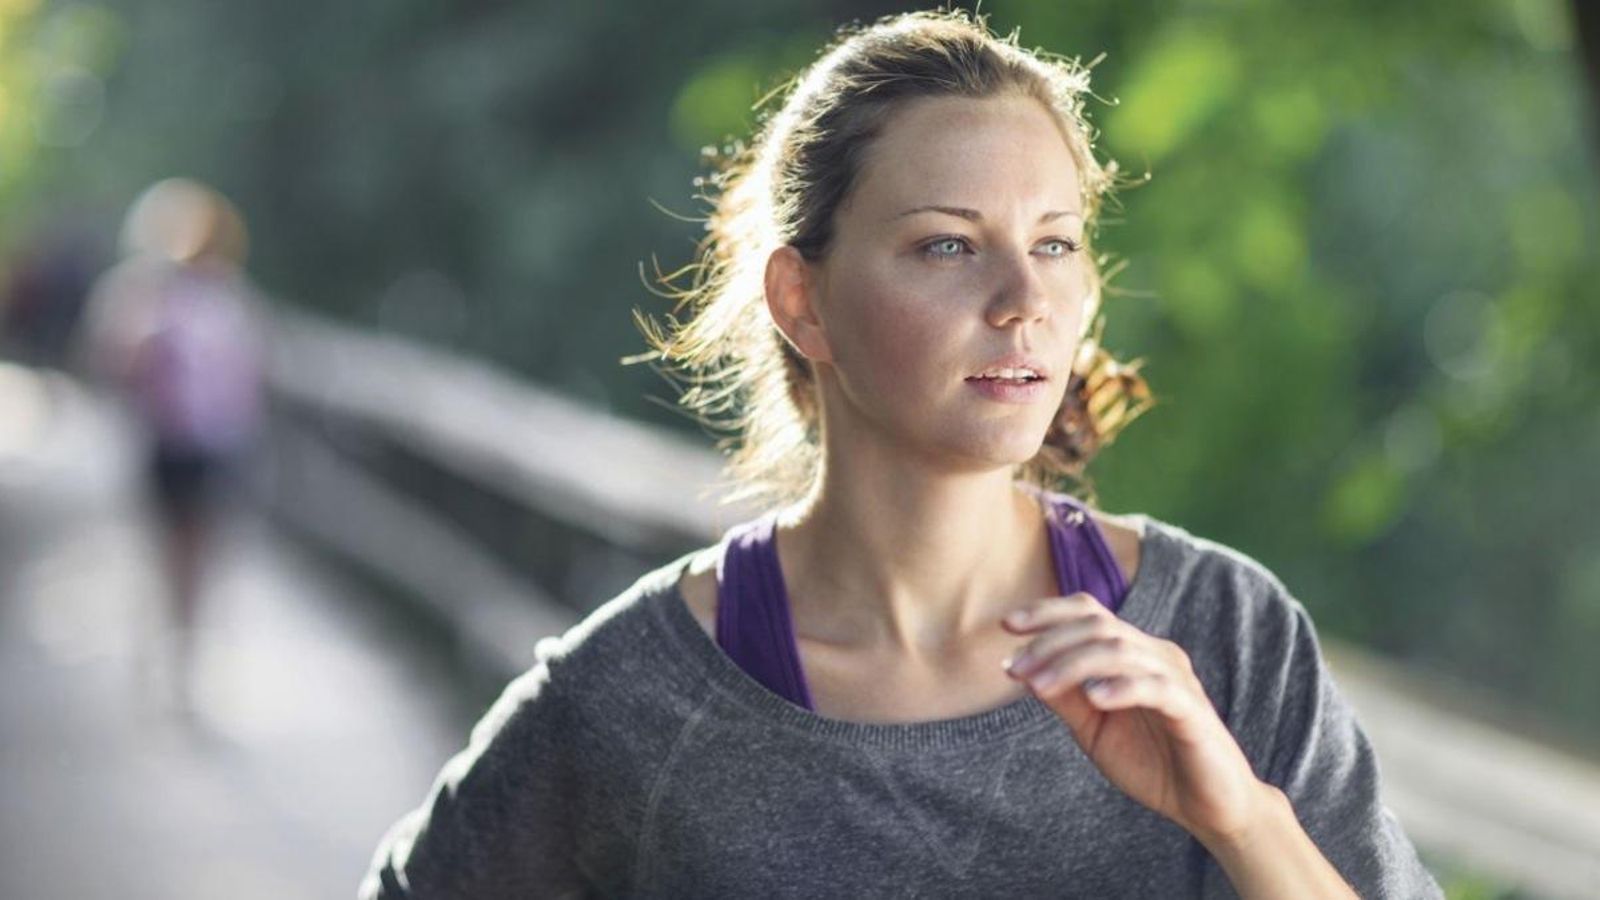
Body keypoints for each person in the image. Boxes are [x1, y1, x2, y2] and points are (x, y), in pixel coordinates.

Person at [360, 10, 1442, 898]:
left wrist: (1242, 820)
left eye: (1054, 244)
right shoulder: (637, 699)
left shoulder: (1225, 637)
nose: (1024, 302)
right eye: (946, 246)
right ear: (804, 302)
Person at [77, 177, 269, 714]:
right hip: (164, 442)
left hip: (216, 444)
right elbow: (113, 360)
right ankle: (160, 657)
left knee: (200, 554)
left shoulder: (228, 296)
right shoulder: (141, 291)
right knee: (165, 553)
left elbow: (249, 372)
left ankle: (184, 664)